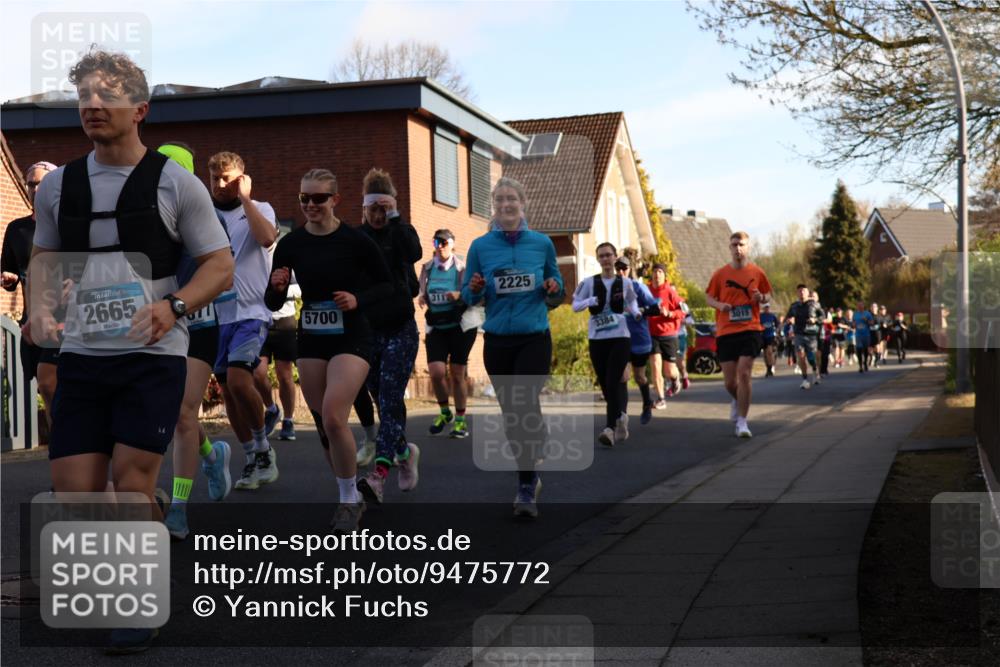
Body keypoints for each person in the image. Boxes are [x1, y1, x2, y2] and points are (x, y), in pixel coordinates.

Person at [25, 50, 233, 652]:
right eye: (84, 95)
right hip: (84, 354)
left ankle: (138, 601)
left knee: (129, 476)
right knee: (77, 491)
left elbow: (218, 267)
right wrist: (40, 307)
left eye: (106, 96)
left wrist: (174, 307)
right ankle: (140, 520)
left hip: (155, 353)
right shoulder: (60, 185)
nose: (92, 104)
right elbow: (43, 258)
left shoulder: (176, 183)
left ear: (139, 109)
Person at [267, 169, 392, 533]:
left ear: (335, 199)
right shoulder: (291, 244)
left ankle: (349, 500)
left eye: (318, 198)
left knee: (336, 415)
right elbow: (272, 297)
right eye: (304, 198)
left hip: (352, 335)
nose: (309, 205)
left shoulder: (355, 240)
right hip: (312, 335)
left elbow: (390, 285)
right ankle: (347, 488)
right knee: (324, 421)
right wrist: (276, 288)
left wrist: (358, 299)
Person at [461, 177, 563, 518]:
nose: (506, 205)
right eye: (500, 200)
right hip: (498, 340)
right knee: (512, 413)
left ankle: (525, 486)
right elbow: (469, 296)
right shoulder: (480, 247)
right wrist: (475, 288)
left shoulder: (543, 244)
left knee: (523, 399)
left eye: (512, 199)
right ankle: (532, 454)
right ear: (495, 206)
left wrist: (552, 287)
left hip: (534, 336)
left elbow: (558, 290)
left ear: (522, 204)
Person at [156, 141, 233, 541]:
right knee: (165, 412)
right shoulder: (143, 216)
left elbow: (226, 274)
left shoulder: (207, 218)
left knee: (184, 412)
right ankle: (211, 454)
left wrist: (183, 301)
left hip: (198, 325)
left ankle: (180, 507)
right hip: (156, 328)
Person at [208, 151, 279, 490]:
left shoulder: (259, 208)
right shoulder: (203, 215)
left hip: (252, 312)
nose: (221, 185)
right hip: (218, 316)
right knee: (227, 391)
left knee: (239, 381)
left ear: (242, 178)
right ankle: (251, 456)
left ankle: (264, 449)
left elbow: (267, 238)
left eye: (228, 179)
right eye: (215, 179)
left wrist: (246, 198)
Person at [356, 168, 423, 505]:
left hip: (401, 328)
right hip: (369, 331)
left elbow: (413, 252)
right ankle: (403, 452)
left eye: (385, 209)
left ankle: (379, 474)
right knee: (380, 396)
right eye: (374, 209)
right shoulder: (356, 238)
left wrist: (397, 219)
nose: (380, 216)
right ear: (364, 209)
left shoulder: (401, 232)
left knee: (391, 397)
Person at [2, 160, 59, 426]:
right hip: (31, 318)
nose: (34, 189)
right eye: (30, 184)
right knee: (44, 387)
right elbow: (9, 271)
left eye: (40, 183)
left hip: (64, 319)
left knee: (51, 382)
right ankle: (61, 447)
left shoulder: (66, 223)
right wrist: (9, 279)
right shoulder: (17, 229)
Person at [572, 243, 641, 446]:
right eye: (601, 256)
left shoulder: (625, 282)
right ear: (598, 259)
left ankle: (609, 429)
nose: (605, 259)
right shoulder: (589, 283)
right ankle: (621, 416)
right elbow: (575, 305)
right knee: (604, 383)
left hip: (620, 337)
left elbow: (632, 301)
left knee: (612, 380)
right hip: (597, 338)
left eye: (608, 255)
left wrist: (635, 312)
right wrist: (589, 302)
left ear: (614, 257)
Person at [705, 231, 771, 439]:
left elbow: (768, 293)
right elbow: (708, 297)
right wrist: (720, 305)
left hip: (750, 329)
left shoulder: (757, 272)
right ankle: (737, 399)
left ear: (748, 248)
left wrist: (762, 297)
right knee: (730, 383)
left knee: (744, 373)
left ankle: (742, 421)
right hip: (726, 331)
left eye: (741, 245)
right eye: (734, 245)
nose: (738, 249)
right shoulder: (720, 274)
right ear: (729, 248)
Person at [418, 229, 476, 439]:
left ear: (453, 244)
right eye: (436, 242)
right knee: (436, 372)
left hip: (460, 326)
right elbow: (423, 290)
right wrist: (423, 297)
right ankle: (445, 413)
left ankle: (460, 422)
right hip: (436, 326)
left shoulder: (462, 268)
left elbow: (473, 294)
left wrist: (459, 294)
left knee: (457, 374)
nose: (440, 246)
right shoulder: (428, 268)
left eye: (444, 242)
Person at [258, 269, 301, 441]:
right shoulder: (252, 255)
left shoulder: (284, 255)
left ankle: (288, 420)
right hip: (259, 321)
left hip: (284, 321)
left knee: (284, 375)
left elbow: (301, 287)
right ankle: (271, 409)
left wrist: (281, 290)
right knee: (257, 373)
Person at [616, 257, 659, 425]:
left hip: (640, 339)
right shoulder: (612, 288)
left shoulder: (638, 287)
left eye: (624, 268)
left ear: (630, 269)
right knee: (623, 376)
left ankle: (647, 403)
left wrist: (638, 310)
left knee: (639, 377)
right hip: (621, 338)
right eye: (618, 268)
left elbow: (655, 308)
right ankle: (622, 415)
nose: (621, 272)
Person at [646, 263, 685, 408]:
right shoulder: (646, 291)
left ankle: (675, 379)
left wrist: (670, 313)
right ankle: (661, 398)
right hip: (652, 335)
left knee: (669, 370)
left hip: (669, 335)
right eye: (655, 272)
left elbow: (684, 311)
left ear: (664, 275)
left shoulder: (670, 292)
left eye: (660, 272)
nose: (657, 275)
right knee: (656, 366)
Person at [785, 284, 824, 389]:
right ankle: (805, 379)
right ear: (797, 293)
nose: (801, 292)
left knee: (812, 357)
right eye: (799, 291)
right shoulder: (794, 306)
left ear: (807, 293)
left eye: (804, 290)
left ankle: (815, 371)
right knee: (801, 356)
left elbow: (822, 316)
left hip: (811, 334)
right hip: (798, 334)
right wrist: (789, 320)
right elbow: (788, 317)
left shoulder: (814, 304)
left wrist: (815, 320)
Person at [852, 301, 876, 372]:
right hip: (858, 334)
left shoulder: (867, 314)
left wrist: (866, 320)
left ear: (863, 306)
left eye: (861, 305)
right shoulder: (855, 314)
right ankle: (860, 366)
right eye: (858, 305)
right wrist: (853, 325)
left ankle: (865, 362)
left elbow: (872, 323)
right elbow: (853, 323)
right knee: (859, 349)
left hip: (866, 334)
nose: (859, 307)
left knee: (865, 349)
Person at [759, 302, 779, 376]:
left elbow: (777, 324)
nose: (767, 309)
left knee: (769, 351)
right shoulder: (760, 316)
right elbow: (757, 324)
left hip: (770, 335)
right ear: (763, 308)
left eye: (768, 307)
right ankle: (768, 368)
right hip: (762, 336)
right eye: (765, 307)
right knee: (765, 353)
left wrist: (777, 332)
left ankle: (770, 368)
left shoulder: (772, 316)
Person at [868, 301, 882, 368]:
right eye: (872, 307)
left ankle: (876, 362)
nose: (873, 308)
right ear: (870, 308)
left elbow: (883, 324)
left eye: (875, 307)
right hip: (870, 333)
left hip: (877, 334)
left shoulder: (879, 316)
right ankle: (872, 357)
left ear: (877, 308)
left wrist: (884, 325)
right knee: (870, 348)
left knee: (877, 347)